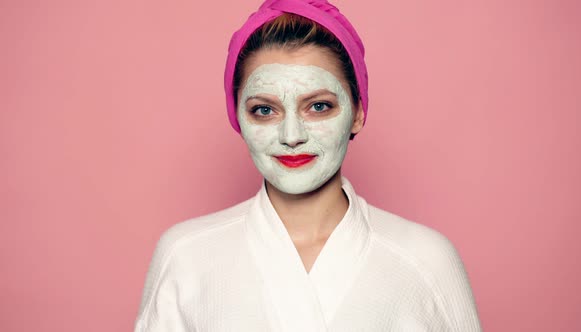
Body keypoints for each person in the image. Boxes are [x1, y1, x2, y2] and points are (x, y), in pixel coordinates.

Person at [134, 0, 482, 331]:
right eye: (264, 110)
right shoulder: (186, 256)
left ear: (358, 112)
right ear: (238, 117)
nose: (291, 136)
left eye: (318, 106)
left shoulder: (426, 260)